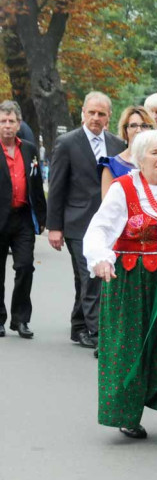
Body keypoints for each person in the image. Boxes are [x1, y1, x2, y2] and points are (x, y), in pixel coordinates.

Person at [83, 130, 157, 442]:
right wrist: (101, 258)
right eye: (155, 153)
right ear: (139, 157)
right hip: (130, 280)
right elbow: (100, 228)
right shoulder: (124, 188)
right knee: (128, 345)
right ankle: (127, 414)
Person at [46, 91, 127, 350]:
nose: (95, 118)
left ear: (108, 116)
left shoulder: (116, 145)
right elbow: (56, 186)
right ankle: (97, 332)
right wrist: (54, 227)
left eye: (101, 114)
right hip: (77, 222)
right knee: (91, 275)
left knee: (84, 278)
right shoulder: (67, 143)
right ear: (83, 112)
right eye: (91, 112)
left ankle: (78, 325)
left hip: (107, 223)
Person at [0, 100, 47, 339]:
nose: (7, 126)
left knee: (25, 266)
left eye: (11, 121)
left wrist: (43, 216)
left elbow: (37, 183)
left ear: (19, 124)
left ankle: (20, 319)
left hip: (22, 219)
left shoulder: (28, 149)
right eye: (3, 121)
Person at [101, 106, 155, 197]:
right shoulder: (111, 166)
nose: (139, 130)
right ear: (126, 130)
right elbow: (107, 208)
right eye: (133, 125)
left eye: (144, 126)